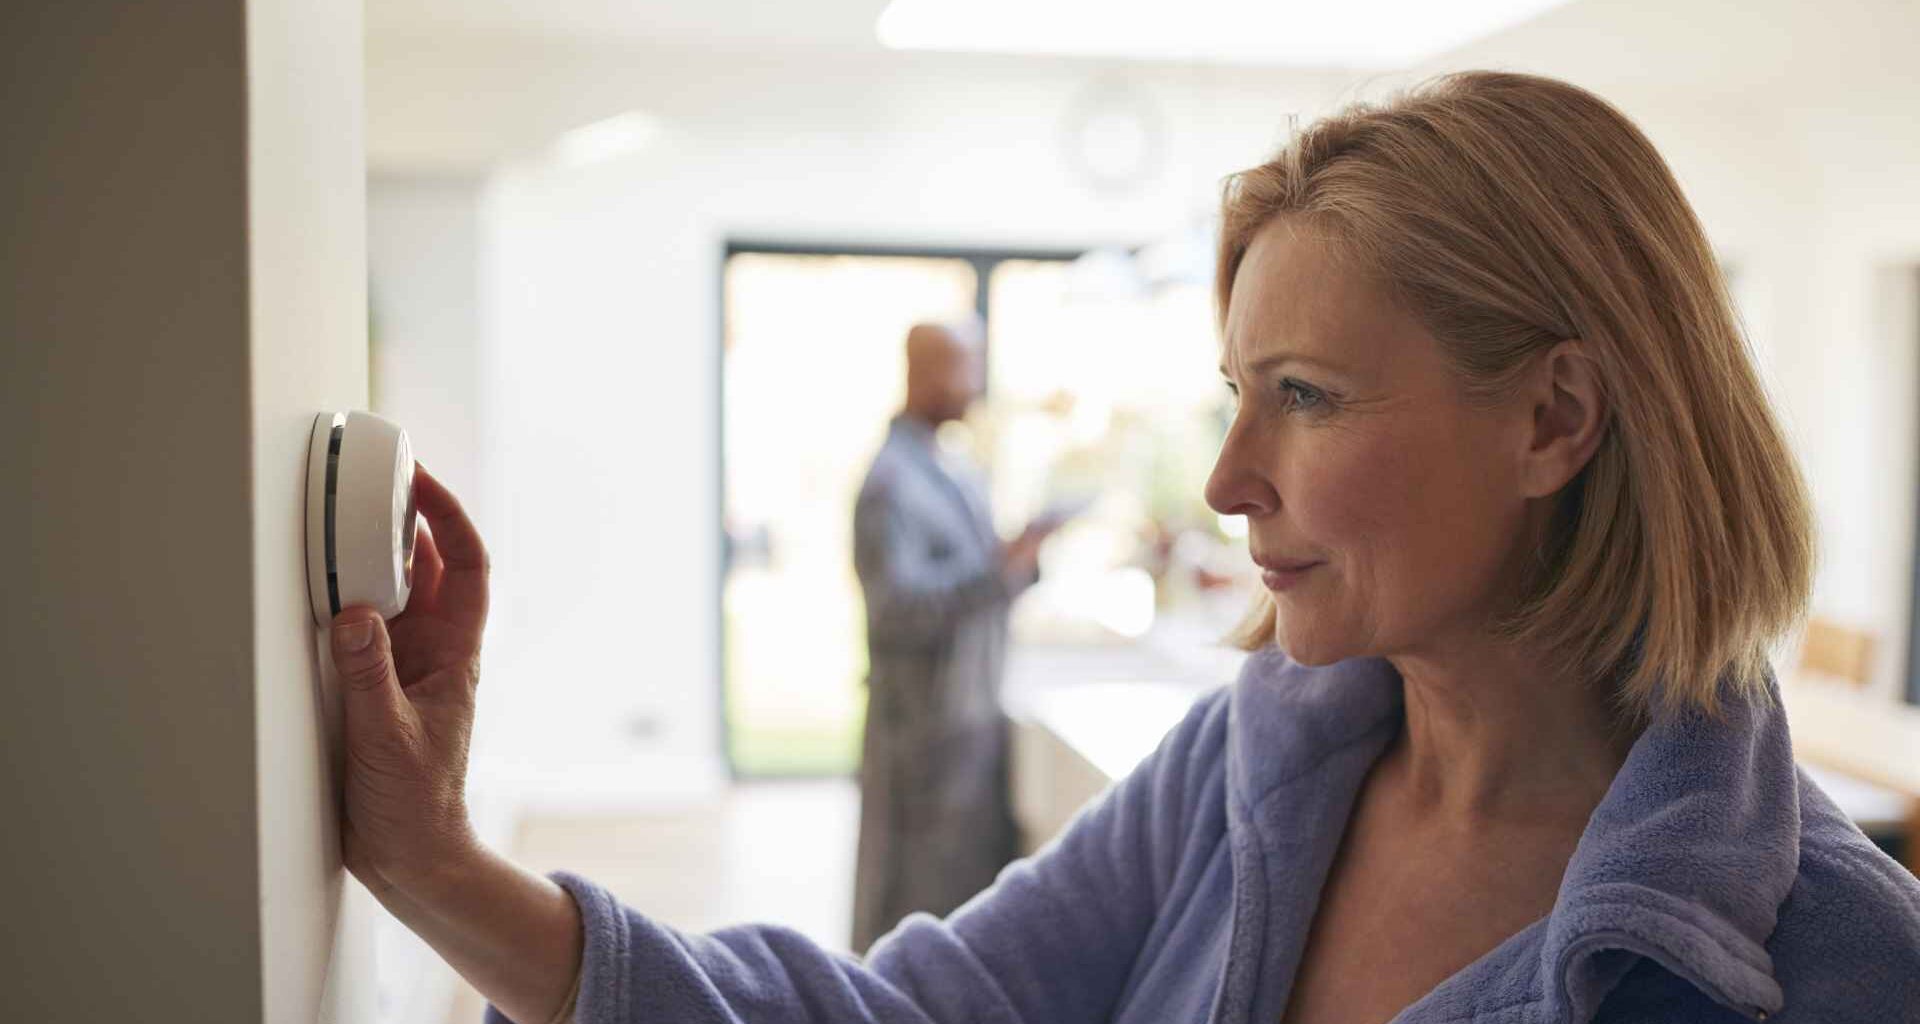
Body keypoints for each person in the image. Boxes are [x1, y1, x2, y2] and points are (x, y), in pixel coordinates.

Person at [332, 72, 1920, 1024]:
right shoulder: (1248, 772)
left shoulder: (1834, 960)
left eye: (1305, 396)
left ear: (1554, 419)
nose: (1229, 479)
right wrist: (434, 866)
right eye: (1239, 395)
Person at [848, 319, 1061, 952]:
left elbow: (980, 580)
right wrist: (998, 571)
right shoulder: (891, 483)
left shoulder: (952, 465)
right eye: (963, 368)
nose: (974, 385)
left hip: (966, 722)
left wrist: (1023, 560)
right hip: (922, 741)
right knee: (911, 918)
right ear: (921, 371)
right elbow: (897, 609)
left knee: (961, 913)